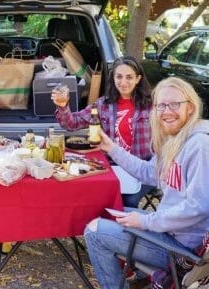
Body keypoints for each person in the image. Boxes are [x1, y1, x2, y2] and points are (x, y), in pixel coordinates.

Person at [84, 77, 209, 289]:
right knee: (112, 213)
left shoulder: (200, 145)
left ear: (191, 107)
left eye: (175, 104)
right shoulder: (175, 140)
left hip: (183, 250)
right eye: (161, 105)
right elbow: (147, 172)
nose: (167, 111)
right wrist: (111, 148)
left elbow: (198, 207)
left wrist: (146, 222)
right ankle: (139, 276)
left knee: (94, 232)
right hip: (169, 231)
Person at [52, 55, 154, 208]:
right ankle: (100, 229)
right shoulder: (103, 104)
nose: (123, 82)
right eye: (119, 76)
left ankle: (126, 230)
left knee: (128, 201)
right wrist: (63, 106)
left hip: (142, 167)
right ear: (113, 77)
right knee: (94, 195)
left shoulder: (152, 105)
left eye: (129, 77)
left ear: (138, 79)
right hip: (111, 166)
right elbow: (71, 124)